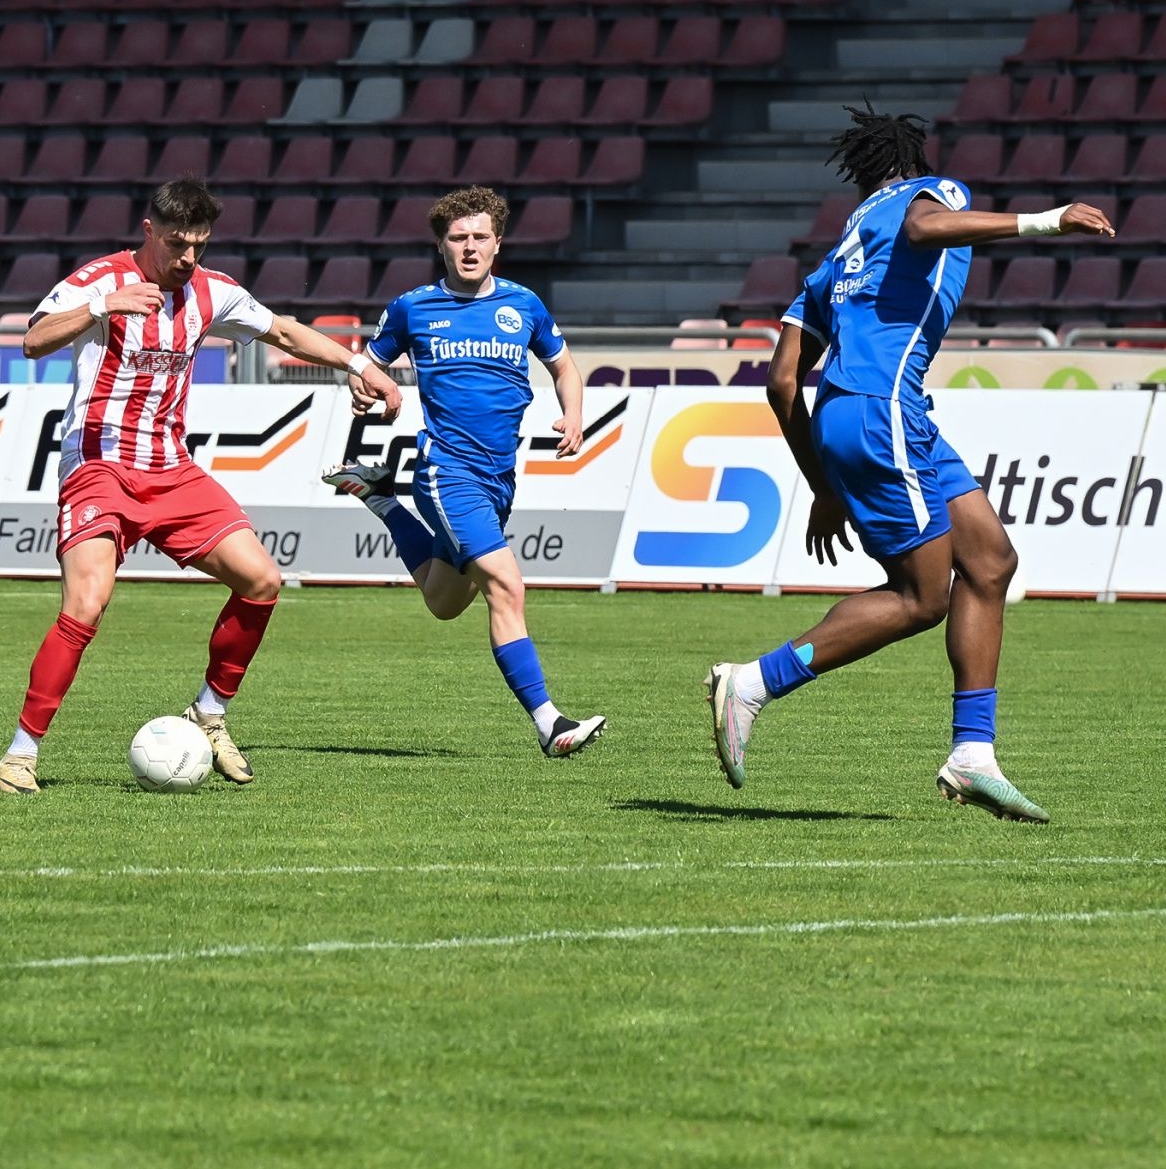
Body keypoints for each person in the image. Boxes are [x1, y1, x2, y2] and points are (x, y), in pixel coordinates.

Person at [705, 105, 1115, 822]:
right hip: (883, 408)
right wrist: (1048, 221)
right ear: (910, 165)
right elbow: (926, 228)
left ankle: (973, 754)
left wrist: (824, 486)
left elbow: (780, 381)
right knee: (922, 596)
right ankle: (755, 682)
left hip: (875, 414)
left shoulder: (838, 257)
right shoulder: (931, 193)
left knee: (990, 560)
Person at [0, 177, 403, 795]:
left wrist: (359, 364)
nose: (188, 257)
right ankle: (20, 755)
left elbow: (285, 332)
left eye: (200, 245)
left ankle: (209, 713)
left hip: (171, 468)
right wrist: (103, 308)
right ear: (150, 230)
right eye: (178, 243)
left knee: (262, 580)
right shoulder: (100, 280)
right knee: (87, 602)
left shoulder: (212, 291)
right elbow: (32, 341)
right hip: (99, 466)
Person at [322, 186, 607, 759]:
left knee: (444, 602)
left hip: (498, 479)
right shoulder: (413, 307)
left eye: (480, 236)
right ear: (441, 246)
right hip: (446, 473)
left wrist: (574, 414)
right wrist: (367, 389)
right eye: (458, 238)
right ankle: (550, 723)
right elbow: (365, 366)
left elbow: (565, 367)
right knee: (507, 586)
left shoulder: (524, 305)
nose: (469, 247)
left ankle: (380, 497)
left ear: (498, 243)